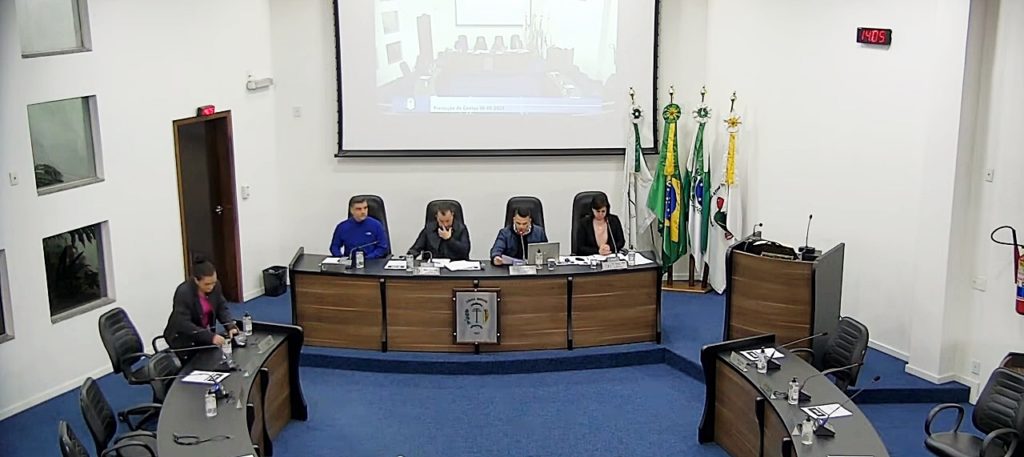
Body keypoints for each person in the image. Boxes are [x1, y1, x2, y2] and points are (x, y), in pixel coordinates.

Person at [163, 256, 238, 349]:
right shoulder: (183, 292)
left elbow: (221, 307)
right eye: (207, 284)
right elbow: (183, 323)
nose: (211, 287)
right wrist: (210, 337)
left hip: (202, 334)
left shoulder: (216, 286)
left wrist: (230, 325)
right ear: (196, 280)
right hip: (183, 338)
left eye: (214, 283)